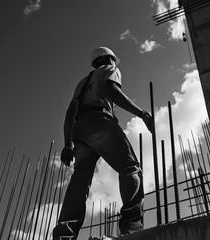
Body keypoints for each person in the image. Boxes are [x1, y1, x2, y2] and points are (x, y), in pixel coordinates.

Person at [52, 46, 153, 240]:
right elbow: (112, 91)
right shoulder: (109, 70)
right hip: (100, 120)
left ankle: (64, 234)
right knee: (130, 167)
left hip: (79, 131)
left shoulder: (82, 83)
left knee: (79, 183)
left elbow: (70, 112)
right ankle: (131, 224)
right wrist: (142, 114)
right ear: (109, 60)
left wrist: (68, 144)